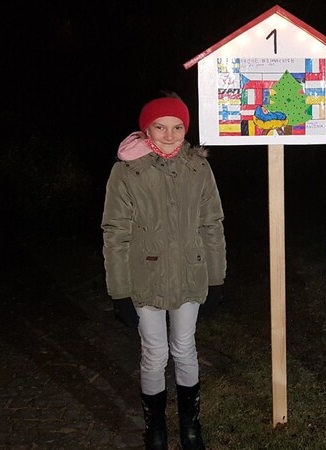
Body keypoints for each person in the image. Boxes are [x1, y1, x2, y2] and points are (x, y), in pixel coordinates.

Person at [102, 94, 226, 450]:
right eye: (160, 127)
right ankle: (155, 428)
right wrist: (119, 291)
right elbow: (115, 232)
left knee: (185, 348)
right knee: (154, 353)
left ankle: (191, 426)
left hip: (190, 273)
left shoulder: (198, 168)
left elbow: (212, 224)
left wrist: (216, 279)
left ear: (186, 129)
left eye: (177, 127)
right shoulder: (127, 171)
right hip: (146, 278)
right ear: (147, 129)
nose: (170, 135)